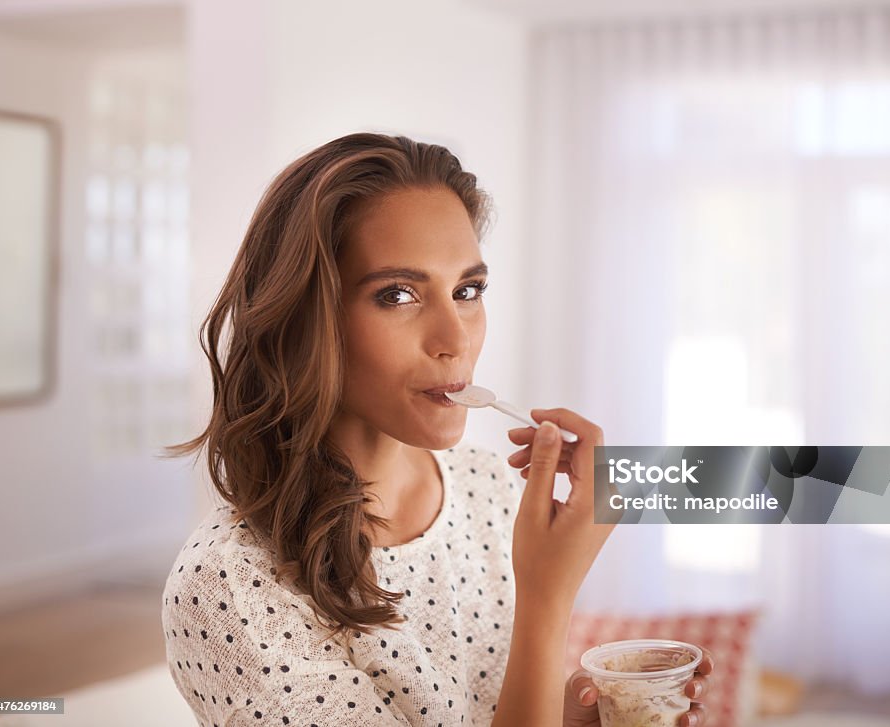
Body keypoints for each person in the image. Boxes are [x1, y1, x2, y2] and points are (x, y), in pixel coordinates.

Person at [161, 132, 713, 726]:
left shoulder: (489, 488)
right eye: (398, 294)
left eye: (467, 291)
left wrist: (585, 713)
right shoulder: (228, 587)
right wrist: (548, 599)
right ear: (306, 319)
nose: (456, 340)